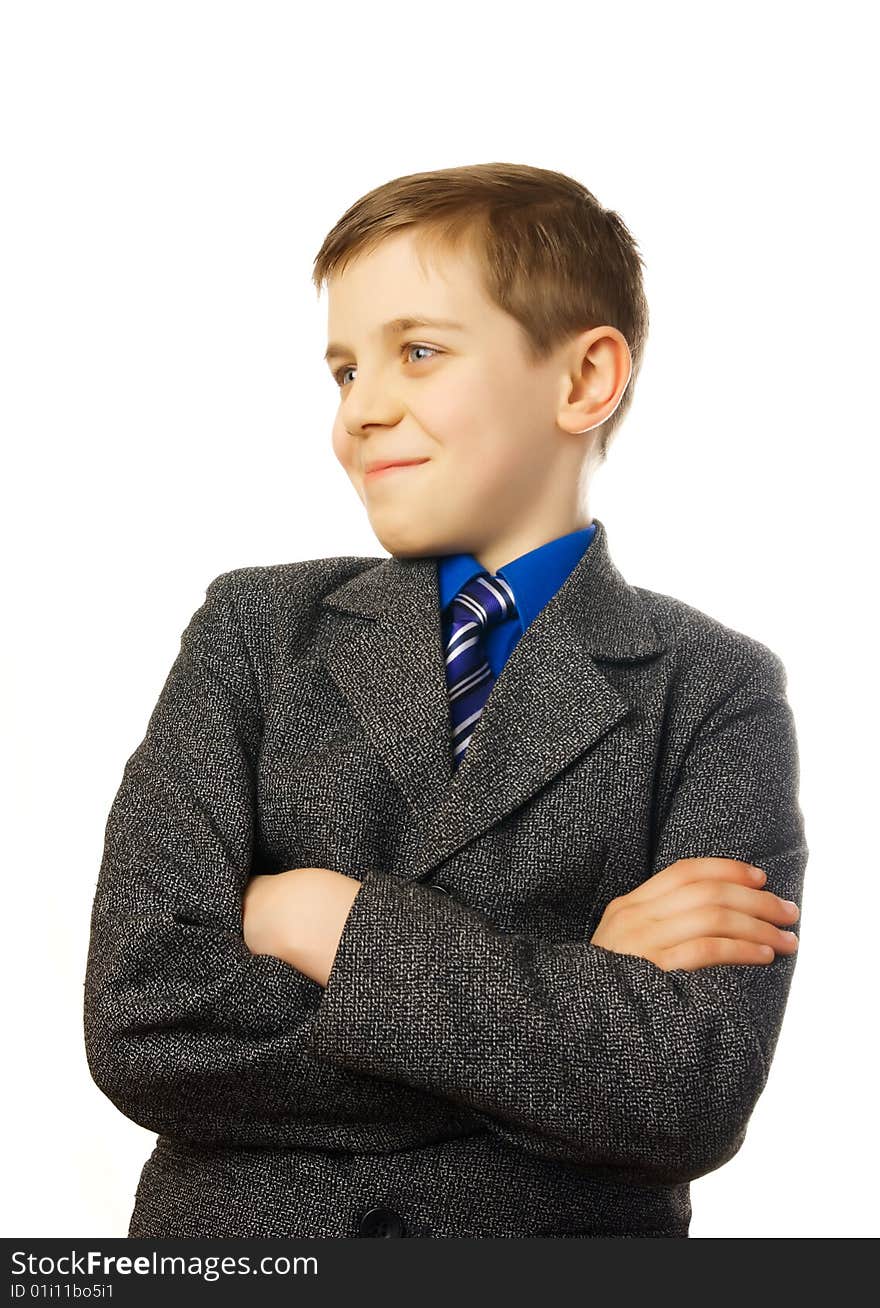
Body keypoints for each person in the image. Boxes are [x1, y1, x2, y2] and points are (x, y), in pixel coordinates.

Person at [83, 161, 808, 1239]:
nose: (362, 411)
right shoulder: (253, 631)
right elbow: (143, 1013)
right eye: (342, 371)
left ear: (583, 380)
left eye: (416, 352)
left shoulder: (712, 688)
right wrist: (572, 992)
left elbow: (685, 1091)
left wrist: (326, 922)